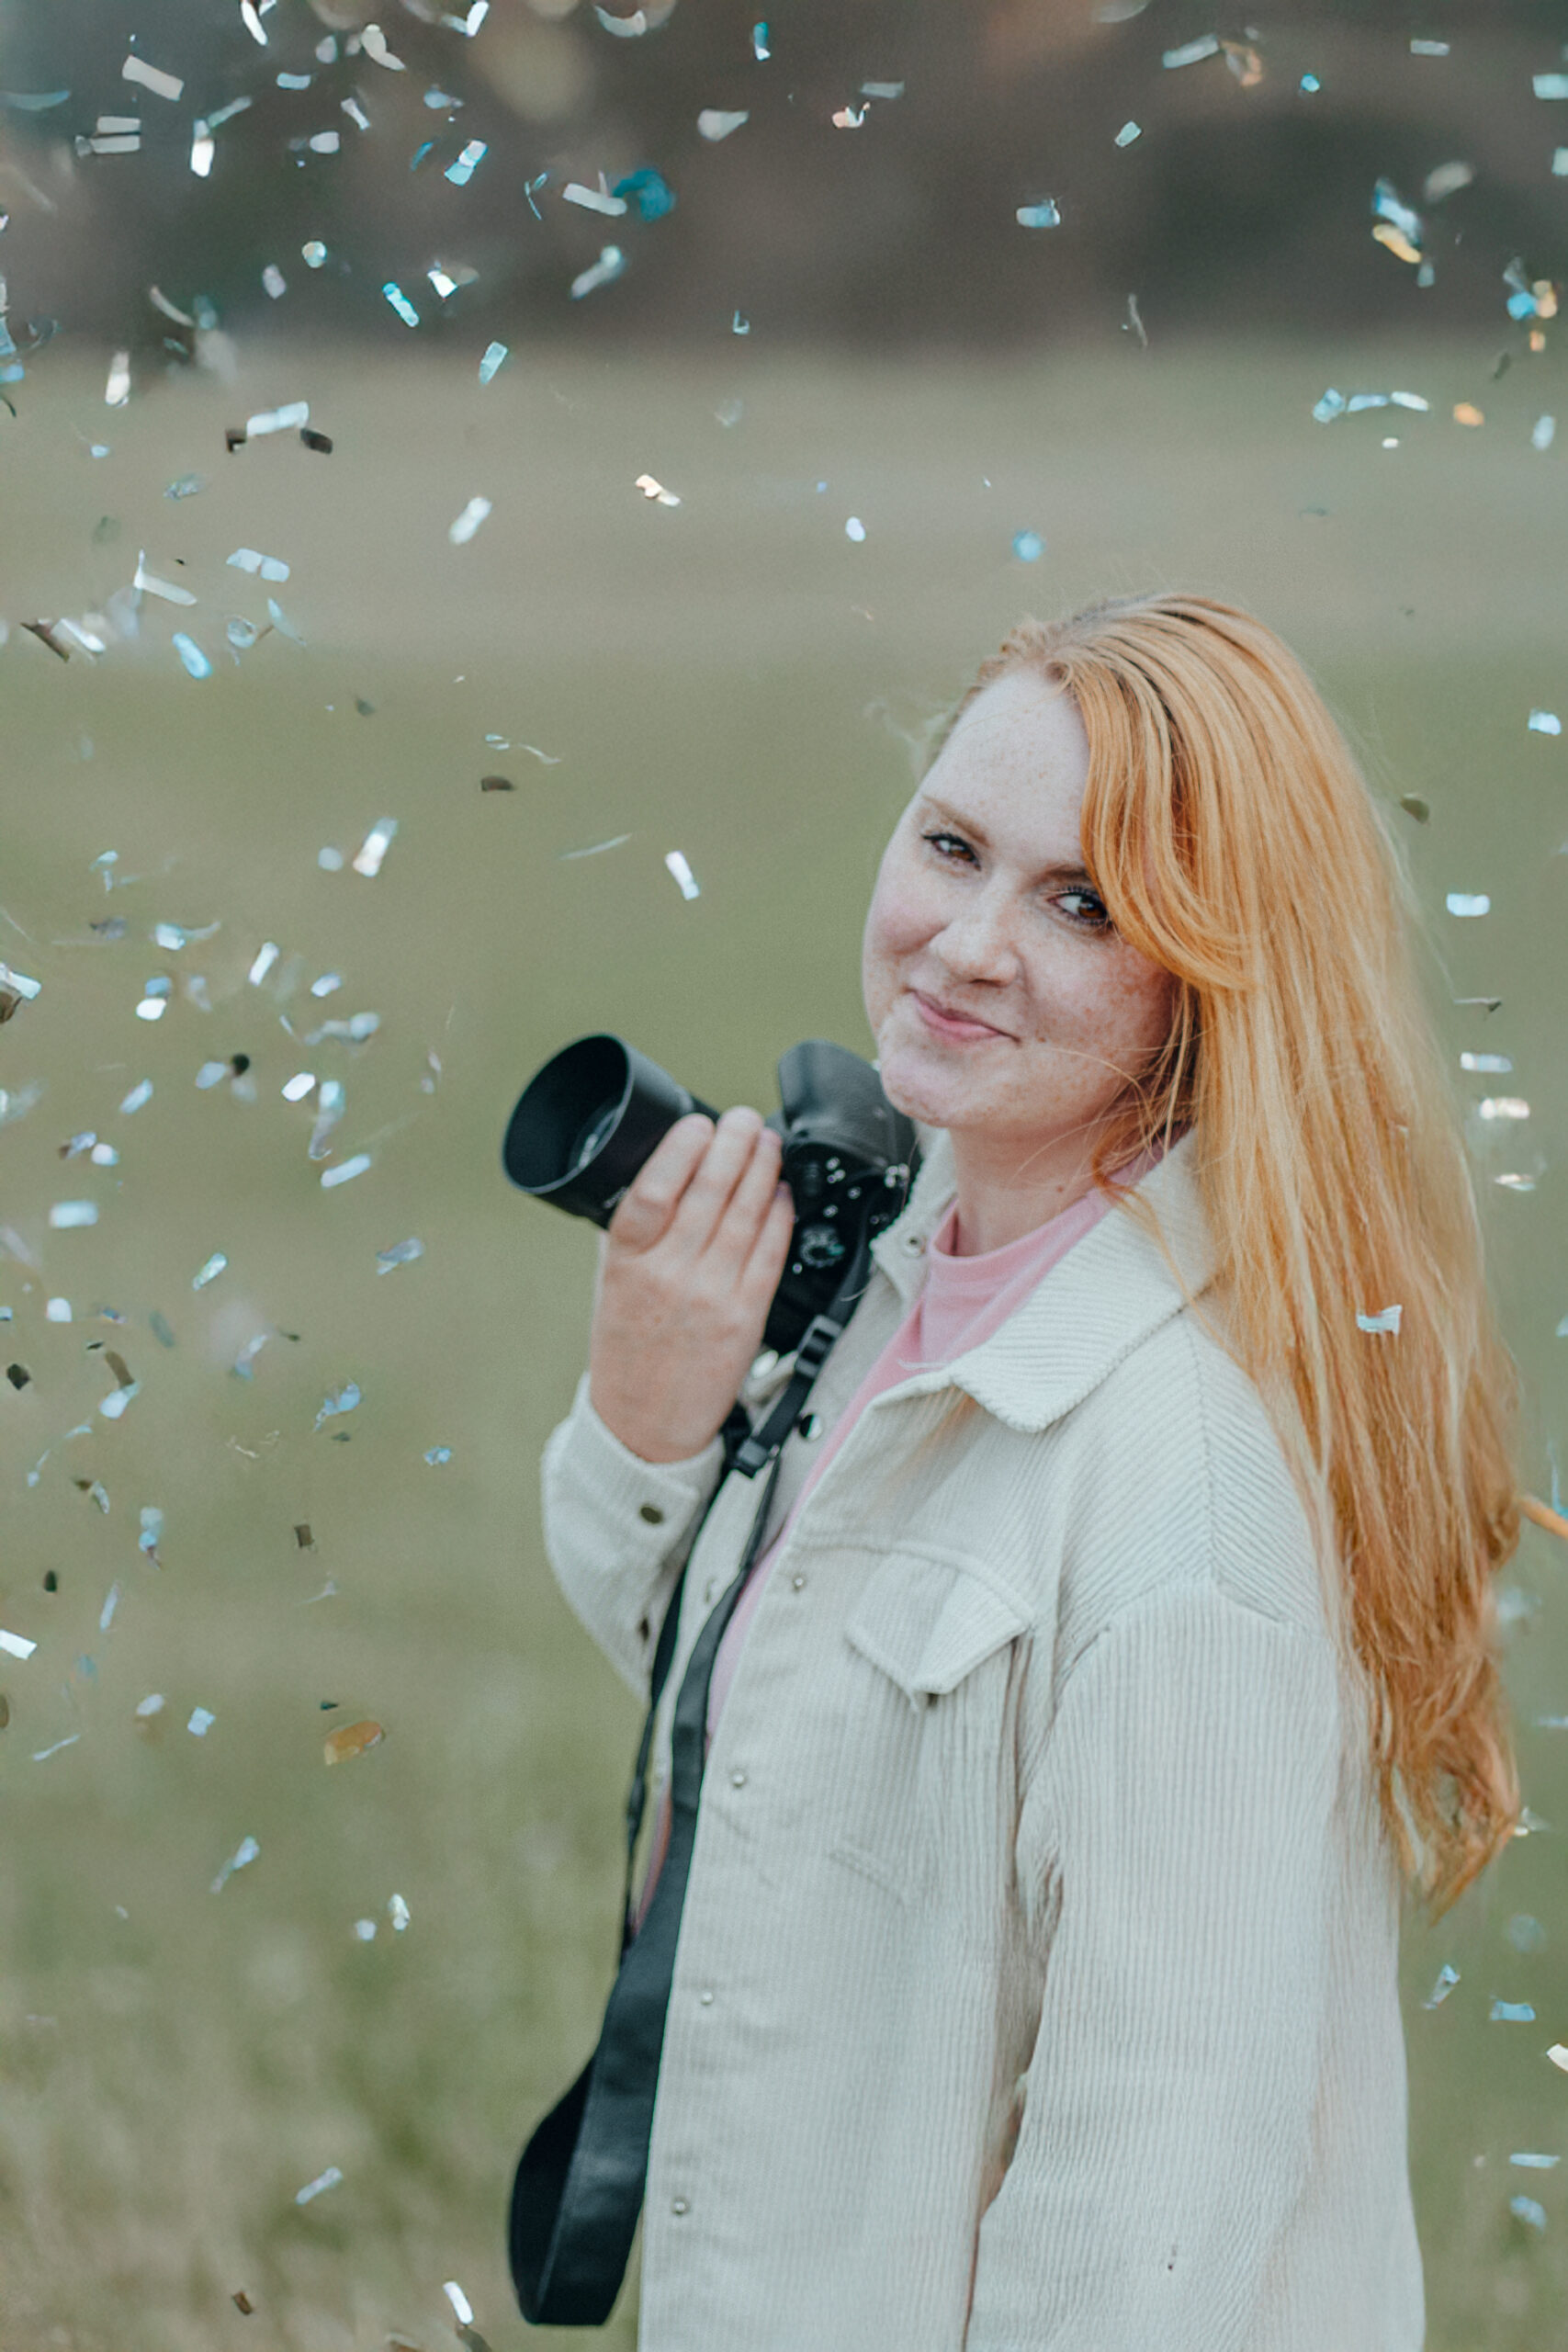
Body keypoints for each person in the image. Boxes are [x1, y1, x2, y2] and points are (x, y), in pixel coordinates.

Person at [537, 592, 1521, 2350]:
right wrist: (648, 1420)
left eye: (1082, 903)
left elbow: (1156, 2200)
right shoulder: (912, 1280)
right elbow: (767, 1749)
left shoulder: (1190, 1492)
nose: (966, 943)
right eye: (952, 846)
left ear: (1208, 981)